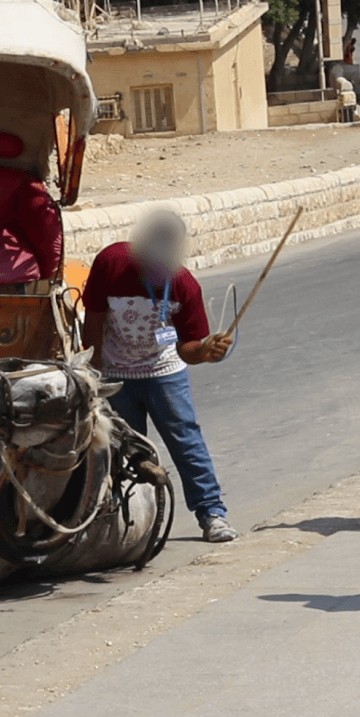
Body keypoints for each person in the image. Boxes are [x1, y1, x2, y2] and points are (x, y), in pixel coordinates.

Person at [81, 210, 238, 543]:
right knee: (124, 452)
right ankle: (130, 524)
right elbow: (93, 318)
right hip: (115, 373)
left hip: (163, 372)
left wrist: (208, 351)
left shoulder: (183, 284)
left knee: (186, 443)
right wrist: (94, 373)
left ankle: (211, 514)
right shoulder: (110, 262)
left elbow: (187, 349)